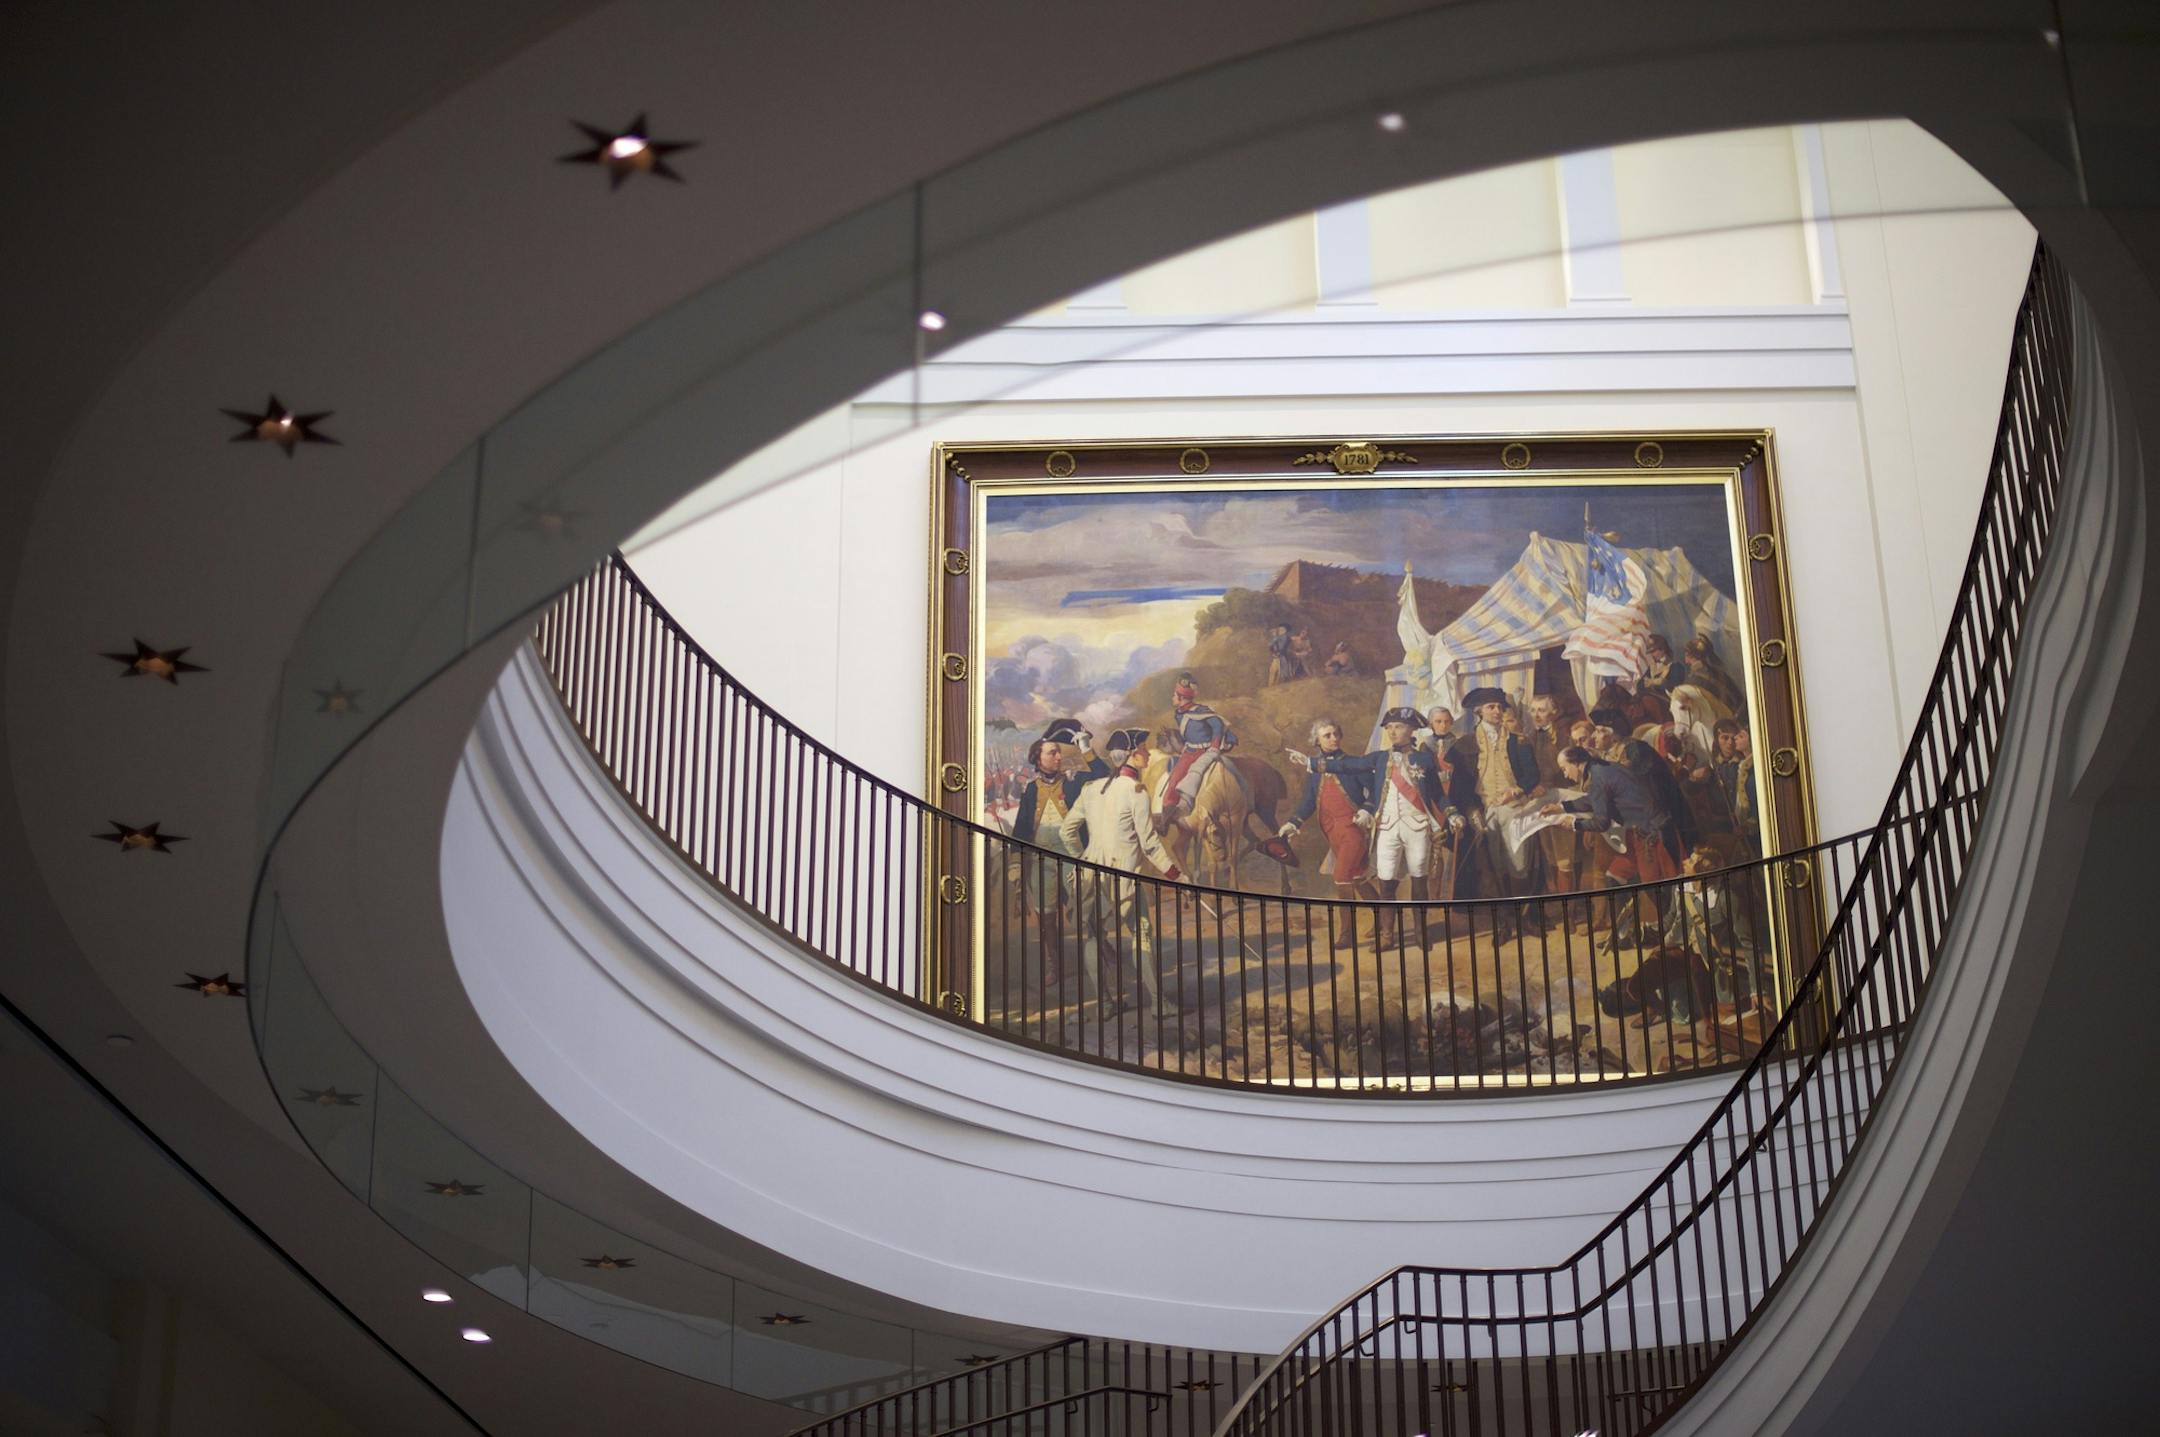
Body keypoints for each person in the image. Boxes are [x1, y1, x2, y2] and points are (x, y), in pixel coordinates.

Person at [1059, 728, 1184, 1014]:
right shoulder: (1137, 792)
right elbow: (1151, 845)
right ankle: (1158, 1004)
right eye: (1142, 748)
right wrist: (1179, 876)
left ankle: (1104, 1004)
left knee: (1093, 937)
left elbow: (1068, 832)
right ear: (1130, 754)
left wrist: (1083, 859)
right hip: (1123, 878)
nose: (1147, 753)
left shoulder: (1090, 789)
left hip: (1090, 877)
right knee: (1141, 933)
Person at [1542, 745, 1686, 953]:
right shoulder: (1603, 768)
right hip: (1639, 834)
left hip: (1651, 835)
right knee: (1614, 877)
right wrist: (1562, 807)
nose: (1565, 773)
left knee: (1655, 889)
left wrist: (1573, 824)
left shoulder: (1598, 777)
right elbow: (1594, 800)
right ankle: (1623, 934)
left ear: (1576, 763)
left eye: (1565, 768)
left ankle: (1669, 935)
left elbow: (1602, 823)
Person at [1343, 707, 1460, 942]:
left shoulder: (1424, 759)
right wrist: (1312, 762)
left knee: (1419, 883)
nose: (1392, 732)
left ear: (1411, 730)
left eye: (1398, 727)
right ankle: (1387, 935)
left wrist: (1453, 813)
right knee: (1386, 883)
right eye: (1389, 728)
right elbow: (1348, 765)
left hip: (1417, 827)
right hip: (1387, 828)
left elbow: (1437, 793)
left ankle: (1420, 932)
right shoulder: (1380, 757)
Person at [1443, 687, 1544, 902]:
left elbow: (1532, 776)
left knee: (1519, 863)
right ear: (1479, 712)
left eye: (1499, 707)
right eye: (1491, 707)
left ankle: (1523, 916)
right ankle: (1504, 917)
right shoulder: (1465, 744)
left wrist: (1515, 790)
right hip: (1484, 809)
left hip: (1515, 808)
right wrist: (1471, 811)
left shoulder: (1519, 741)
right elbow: (1460, 787)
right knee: (1493, 864)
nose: (1497, 711)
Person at [1277, 718, 1380, 906]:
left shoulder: (1354, 764)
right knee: (1355, 876)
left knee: (1341, 875)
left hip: (1353, 828)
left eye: (1336, 734)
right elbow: (1309, 801)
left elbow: (1376, 790)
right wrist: (1294, 822)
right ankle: (1385, 919)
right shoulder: (1314, 769)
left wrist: (1367, 809)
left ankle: (1346, 935)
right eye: (1327, 735)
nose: (1334, 739)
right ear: (1317, 741)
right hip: (1331, 831)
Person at [1160, 673, 1239, 823]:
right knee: (1174, 780)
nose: (1172, 697)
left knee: (1193, 774)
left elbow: (1218, 725)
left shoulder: (1201, 711)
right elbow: (1190, 734)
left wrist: (1214, 747)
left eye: (1174, 695)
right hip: (1189, 752)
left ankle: (1185, 808)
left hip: (1204, 752)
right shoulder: (1179, 713)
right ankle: (1168, 813)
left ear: (1181, 698)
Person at [1526, 694, 1579, 892]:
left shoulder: (1565, 736)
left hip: (1561, 798)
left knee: (1566, 857)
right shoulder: (1527, 738)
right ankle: (1558, 901)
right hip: (1539, 801)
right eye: (1533, 710)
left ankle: (1571, 908)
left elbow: (1569, 771)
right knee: (1548, 855)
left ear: (1553, 712)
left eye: (1541, 710)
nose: (1536, 715)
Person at [1713, 719, 1760, 856]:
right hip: (1726, 828)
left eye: (1733, 738)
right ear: (1717, 740)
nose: (1730, 743)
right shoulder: (1714, 766)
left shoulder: (1745, 767)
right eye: (1724, 738)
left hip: (1749, 828)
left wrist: (1747, 825)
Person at [1683, 635, 1745, 714]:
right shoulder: (1717, 671)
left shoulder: (1693, 680)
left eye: (1687, 655)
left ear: (1693, 656)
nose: (1685, 660)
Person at [1641, 633, 1688, 701]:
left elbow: (1674, 686)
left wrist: (1654, 683)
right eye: (1650, 652)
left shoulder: (1676, 667)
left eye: (1654, 651)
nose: (1652, 655)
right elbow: (1640, 685)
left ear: (1663, 649)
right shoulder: (1652, 667)